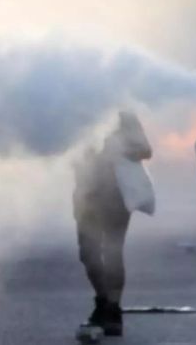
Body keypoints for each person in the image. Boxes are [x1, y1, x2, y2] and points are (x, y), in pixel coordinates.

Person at [73, 111, 154, 337]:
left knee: (112, 251)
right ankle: (103, 301)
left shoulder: (123, 114)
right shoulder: (70, 108)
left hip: (114, 196)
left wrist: (118, 151)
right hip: (86, 195)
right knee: (88, 255)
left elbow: (146, 150)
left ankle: (113, 309)